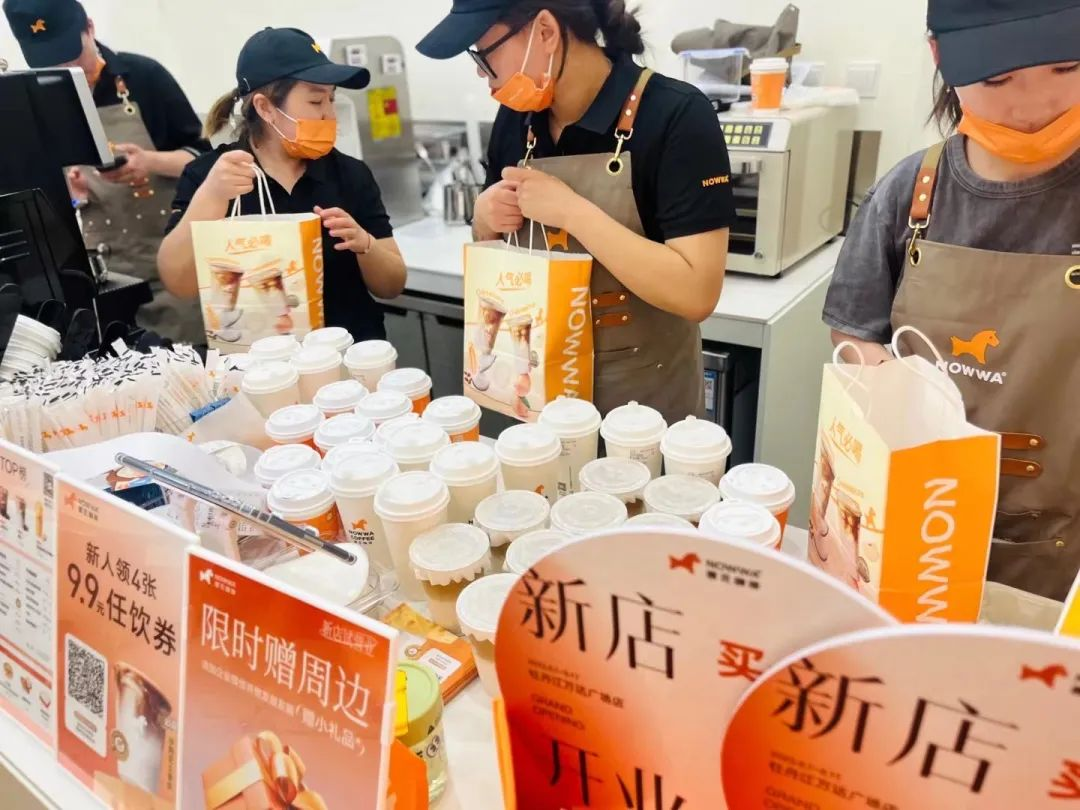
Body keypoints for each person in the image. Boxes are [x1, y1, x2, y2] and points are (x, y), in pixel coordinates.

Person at [820, 0, 1080, 600]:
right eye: (998, 79)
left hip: (1063, 539)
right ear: (941, 58)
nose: (1033, 105)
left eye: (1065, 67)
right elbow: (854, 330)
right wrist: (900, 405)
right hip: (920, 515)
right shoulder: (910, 192)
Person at [417, 0, 735, 422]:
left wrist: (573, 213)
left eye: (484, 53)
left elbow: (696, 293)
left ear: (545, 32)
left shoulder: (676, 114)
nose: (480, 72)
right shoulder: (516, 120)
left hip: (642, 403)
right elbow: (498, 260)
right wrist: (484, 219)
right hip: (540, 394)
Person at [158, 27, 406, 343]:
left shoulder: (350, 174)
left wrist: (365, 244)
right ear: (265, 108)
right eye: (315, 101)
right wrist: (211, 196)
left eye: (331, 99)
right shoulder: (211, 175)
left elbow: (392, 285)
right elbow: (178, 283)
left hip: (348, 354)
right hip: (258, 362)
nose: (329, 115)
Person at [3, 0, 210, 343]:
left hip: (173, 271)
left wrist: (150, 162)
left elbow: (204, 161)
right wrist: (71, 189)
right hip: (108, 277)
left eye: (71, 56)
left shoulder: (144, 76)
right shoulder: (38, 94)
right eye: (51, 63)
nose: (67, 69)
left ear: (90, 28)